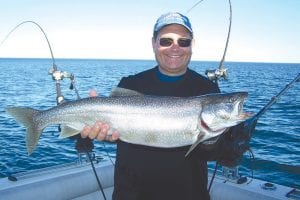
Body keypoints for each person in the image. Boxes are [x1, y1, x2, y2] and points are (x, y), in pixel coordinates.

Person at [81, 12, 248, 200]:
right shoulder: (130, 84)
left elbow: (221, 154)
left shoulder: (207, 88)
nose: (174, 48)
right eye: (166, 41)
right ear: (153, 43)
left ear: (192, 45)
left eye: (183, 41)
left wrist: (209, 139)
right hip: (131, 194)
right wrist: (102, 134)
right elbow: (120, 134)